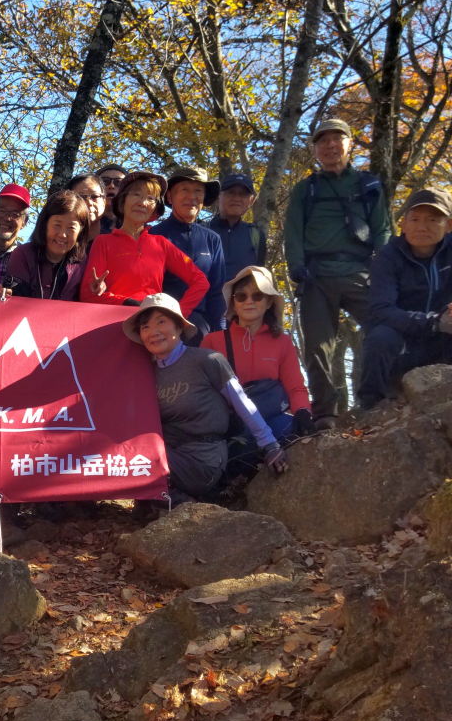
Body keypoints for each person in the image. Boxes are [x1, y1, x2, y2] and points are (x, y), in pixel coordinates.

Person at [124, 294, 288, 503]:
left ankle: (179, 502)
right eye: (145, 327)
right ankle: (167, 498)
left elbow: (242, 403)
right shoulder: (149, 373)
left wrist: (270, 444)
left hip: (203, 460)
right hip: (167, 456)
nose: (153, 332)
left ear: (179, 326)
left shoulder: (207, 360)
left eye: (161, 322)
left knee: (139, 457)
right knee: (126, 453)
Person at [283, 119, 392, 427]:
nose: (331, 145)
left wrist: (384, 267)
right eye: (323, 141)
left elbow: (383, 227)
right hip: (316, 275)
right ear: (315, 150)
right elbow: (293, 232)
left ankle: (380, 393)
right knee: (318, 345)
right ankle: (325, 413)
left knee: (386, 329)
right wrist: (296, 266)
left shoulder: (368, 185)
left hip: (361, 271)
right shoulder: (306, 189)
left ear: (349, 144)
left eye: (337, 139)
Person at [358, 187, 452, 409]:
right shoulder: (387, 256)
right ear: (403, 225)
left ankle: (443, 380)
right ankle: (370, 404)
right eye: (414, 219)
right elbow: (382, 310)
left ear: (449, 226)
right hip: (403, 341)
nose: (422, 227)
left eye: (433, 220)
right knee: (381, 336)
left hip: (443, 339)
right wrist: (434, 322)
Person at [202, 266, 316, 478]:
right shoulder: (212, 341)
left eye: (258, 295)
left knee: (289, 427)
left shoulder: (282, 342)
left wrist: (302, 411)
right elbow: (202, 392)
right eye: (241, 295)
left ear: (269, 302)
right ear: (233, 303)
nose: (249, 301)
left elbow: (295, 386)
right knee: (237, 445)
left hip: (272, 419)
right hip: (232, 426)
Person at [80, 172, 209, 313]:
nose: (143, 202)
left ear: (154, 210)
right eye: (136, 194)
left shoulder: (161, 244)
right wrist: (127, 302)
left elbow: (200, 281)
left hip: (152, 328)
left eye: (150, 198)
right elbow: (87, 295)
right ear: (122, 203)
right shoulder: (103, 242)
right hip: (113, 322)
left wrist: (178, 315)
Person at [152, 166, 226, 345]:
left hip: (200, 329)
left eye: (198, 191)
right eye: (185, 189)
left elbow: (217, 293)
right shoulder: (153, 236)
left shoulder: (212, 239)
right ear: (170, 196)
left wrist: (222, 334)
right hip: (158, 325)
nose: (192, 197)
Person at [4, 190, 89, 301]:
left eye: (71, 228)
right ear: (45, 225)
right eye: (57, 225)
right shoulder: (23, 254)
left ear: (80, 232)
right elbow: (15, 302)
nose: (62, 235)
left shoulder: (81, 263)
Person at [207, 172, 268, 280]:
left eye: (243, 194)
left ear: (250, 201)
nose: (236, 198)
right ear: (217, 197)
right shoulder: (200, 232)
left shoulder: (256, 237)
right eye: (230, 192)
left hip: (240, 297)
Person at [67, 173, 107, 242]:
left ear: (104, 203)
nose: (89, 203)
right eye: (82, 197)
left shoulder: (115, 242)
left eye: (95, 196)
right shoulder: (61, 241)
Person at [96, 164, 127, 235]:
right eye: (104, 181)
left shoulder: (139, 229)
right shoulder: (80, 225)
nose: (111, 186)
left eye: (118, 182)